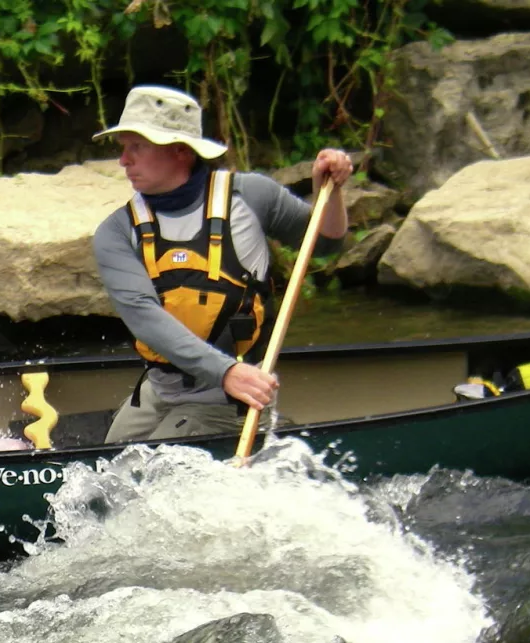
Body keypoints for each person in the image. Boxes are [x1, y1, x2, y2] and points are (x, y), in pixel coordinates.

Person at [92, 84, 353, 443]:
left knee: (143, 468)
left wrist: (332, 190)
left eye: (136, 147)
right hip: (162, 390)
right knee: (106, 463)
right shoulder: (117, 232)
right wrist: (225, 370)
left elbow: (326, 243)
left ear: (180, 151)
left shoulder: (252, 196)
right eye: (124, 149)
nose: (124, 160)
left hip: (232, 396)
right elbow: (144, 317)